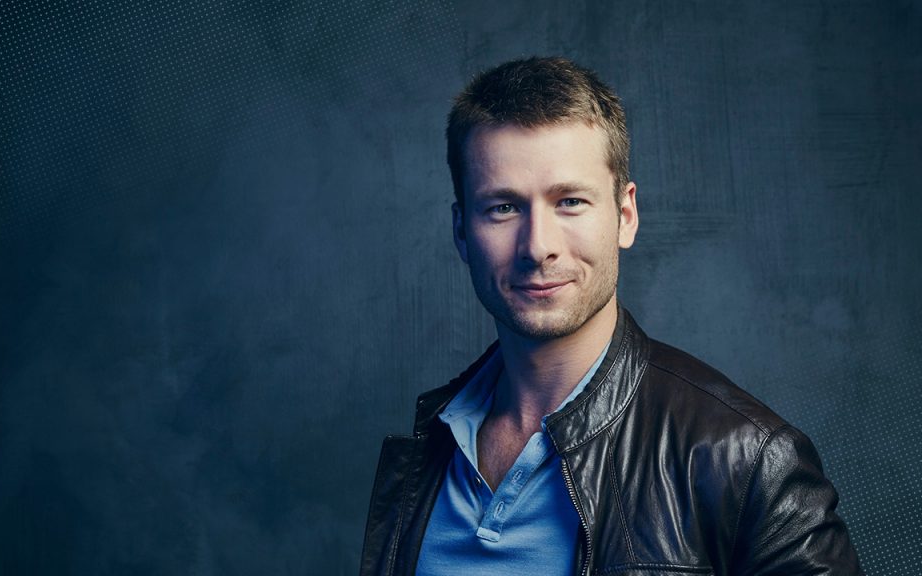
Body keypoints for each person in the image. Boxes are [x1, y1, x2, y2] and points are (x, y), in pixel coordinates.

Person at [359, 56, 862, 576]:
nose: (538, 247)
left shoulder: (748, 461)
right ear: (462, 231)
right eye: (503, 208)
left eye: (570, 202)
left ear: (625, 215)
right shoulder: (431, 442)